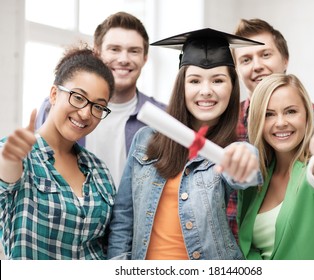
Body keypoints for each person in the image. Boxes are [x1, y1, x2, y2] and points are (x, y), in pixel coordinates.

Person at [107, 28, 263, 260]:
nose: (206, 91)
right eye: (195, 80)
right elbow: (123, 218)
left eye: (218, 80)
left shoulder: (233, 148)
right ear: (182, 86)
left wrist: (245, 160)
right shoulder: (145, 140)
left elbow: (244, 171)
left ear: (232, 87)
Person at [227, 18, 314, 259]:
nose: (257, 66)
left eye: (265, 54)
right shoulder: (228, 125)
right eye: (246, 59)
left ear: (285, 59)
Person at [0, 45, 116, 259]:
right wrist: (9, 159)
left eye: (98, 107)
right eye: (78, 97)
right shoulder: (18, 154)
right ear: (54, 94)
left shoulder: (100, 171)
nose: (85, 114)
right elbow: (6, 177)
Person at [35, 12, 166, 188]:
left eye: (134, 51)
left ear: (145, 58)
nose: (124, 59)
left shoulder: (163, 118)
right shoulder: (57, 107)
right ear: (97, 52)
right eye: (114, 49)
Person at [237, 73, 314, 259]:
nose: (281, 122)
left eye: (291, 111)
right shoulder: (256, 180)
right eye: (269, 114)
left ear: (307, 115)